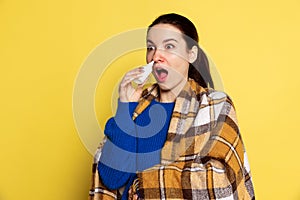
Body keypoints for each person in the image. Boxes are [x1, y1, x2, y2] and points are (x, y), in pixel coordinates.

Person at [89, 13, 255, 200]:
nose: (156, 56)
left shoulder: (214, 106)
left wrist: (144, 184)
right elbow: (111, 179)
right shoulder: (136, 110)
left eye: (169, 46)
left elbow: (225, 182)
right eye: (151, 47)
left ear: (191, 54)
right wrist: (125, 107)